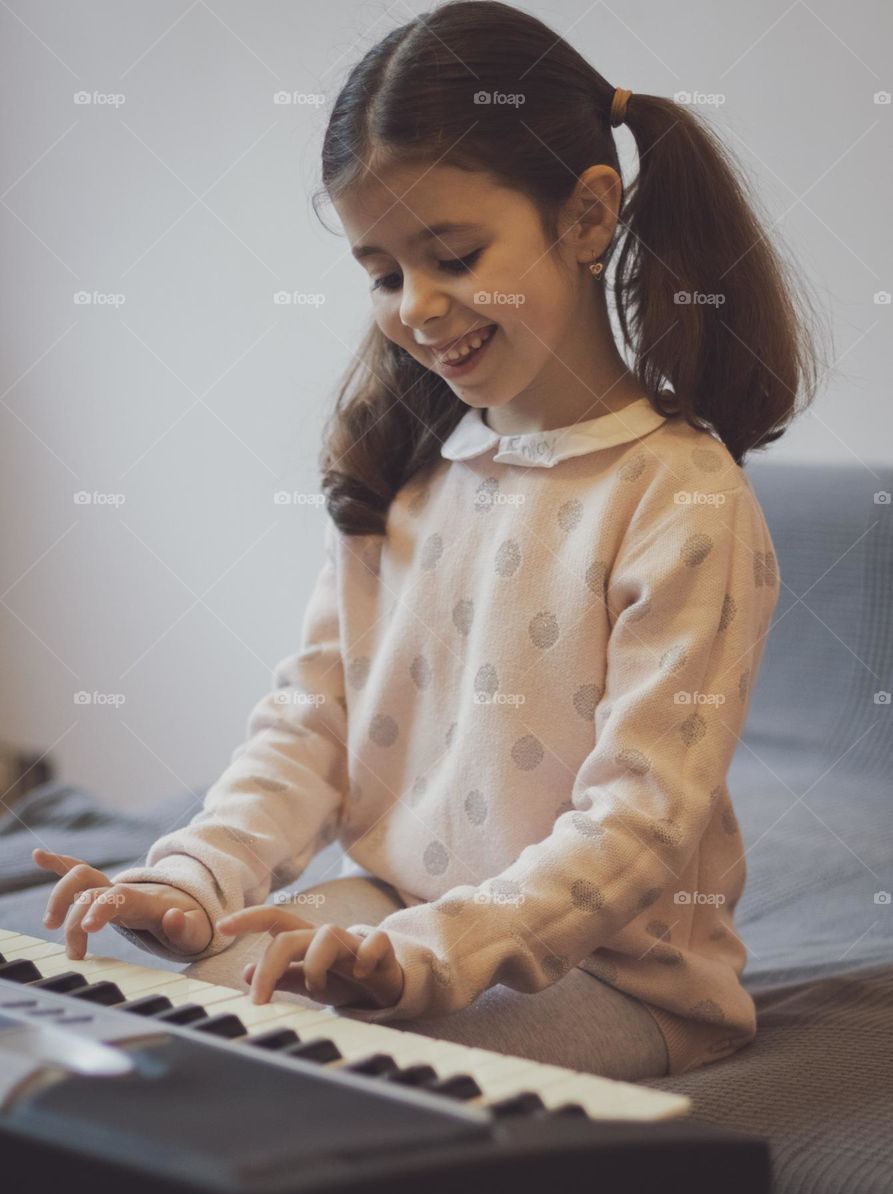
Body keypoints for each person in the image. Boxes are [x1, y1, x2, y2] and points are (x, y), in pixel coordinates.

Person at [36, 0, 826, 1081]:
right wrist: (193, 882)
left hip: (611, 977)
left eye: (451, 254)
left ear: (588, 216)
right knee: (167, 1031)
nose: (416, 306)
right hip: (393, 915)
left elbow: (638, 819)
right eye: (381, 271)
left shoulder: (677, 496)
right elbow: (310, 723)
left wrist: (422, 953)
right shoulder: (407, 469)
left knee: (310, 1074)